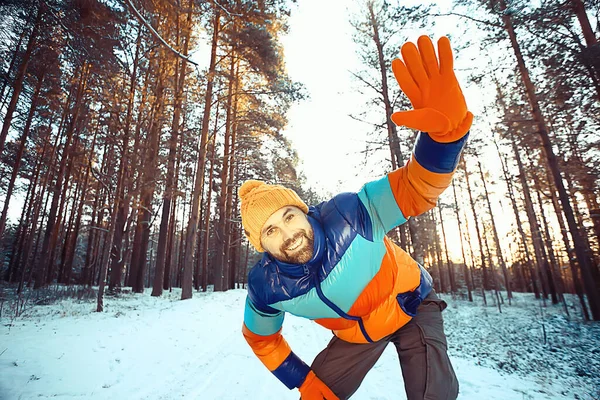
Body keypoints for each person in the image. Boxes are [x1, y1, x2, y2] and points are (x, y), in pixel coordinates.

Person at [239, 35, 473, 400]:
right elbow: (260, 337)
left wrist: (444, 139)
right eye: (270, 229)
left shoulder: (351, 213)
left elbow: (416, 187)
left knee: (435, 395)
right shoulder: (266, 286)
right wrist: (303, 379)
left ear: (304, 210)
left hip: (411, 303)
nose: (288, 233)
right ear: (261, 245)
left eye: (288, 216)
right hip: (357, 335)